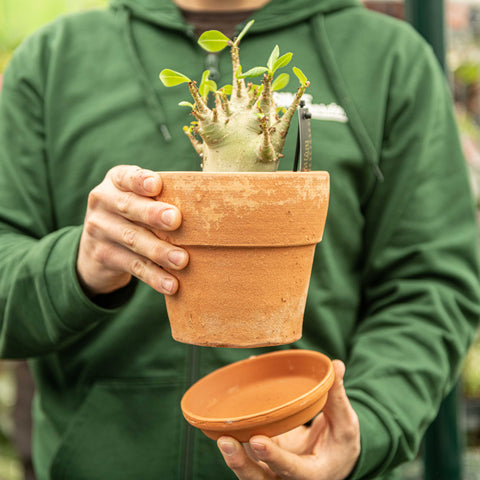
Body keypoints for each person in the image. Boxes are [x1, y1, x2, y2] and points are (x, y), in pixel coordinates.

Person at [0, 0, 479, 479]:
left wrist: (363, 429)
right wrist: (77, 267)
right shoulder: (54, 59)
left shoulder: (389, 58)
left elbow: (431, 283)